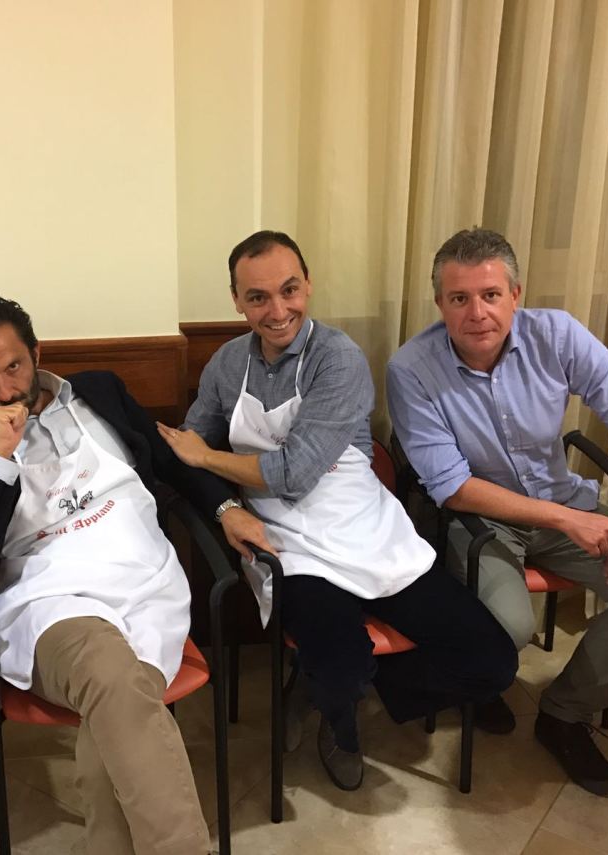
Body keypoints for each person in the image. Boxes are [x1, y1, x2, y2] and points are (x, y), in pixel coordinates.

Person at [160, 230, 517, 792]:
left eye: (289, 290)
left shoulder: (338, 357)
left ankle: (336, 686)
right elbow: (183, 453)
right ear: (237, 301)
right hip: (288, 542)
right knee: (340, 660)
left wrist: (205, 456)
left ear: (308, 285)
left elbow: (291, 472)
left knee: (491, 662)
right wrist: (225, 503)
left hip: (365, 526)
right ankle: (342, 723)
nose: (278, 310)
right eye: (258, 298)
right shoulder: (227, 364)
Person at [0, 294, 268, 855]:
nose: (3, 390)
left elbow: (169, 462)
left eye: (13, 367)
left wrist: (225, 508)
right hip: (52, 603)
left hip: (146, 583)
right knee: (112, 677)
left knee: (110, 728)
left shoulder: (101, 392)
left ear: (36, 353)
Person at [387, 227, 608, 796]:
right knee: (509, 630)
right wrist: (565, 519)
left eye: (491, 295)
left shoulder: (557, 334)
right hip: (481, 518)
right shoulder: (411, 368)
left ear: (516, 295)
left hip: (563, 500)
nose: (477, 313)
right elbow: (452, 486)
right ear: (440, 303)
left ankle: (564, 714)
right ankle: (483, 684)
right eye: (459, 298)